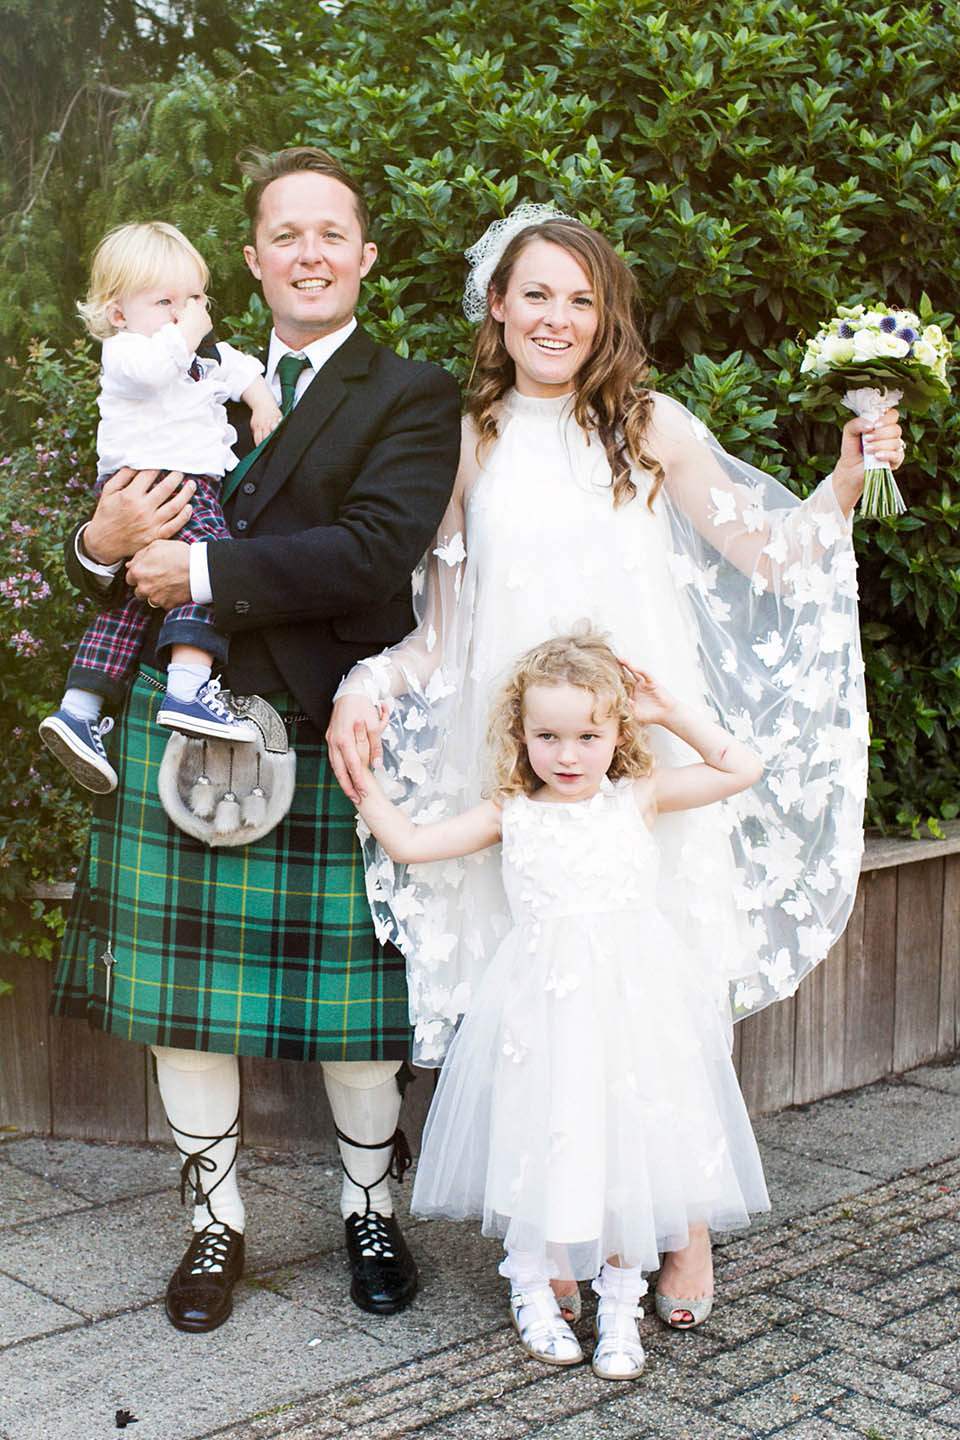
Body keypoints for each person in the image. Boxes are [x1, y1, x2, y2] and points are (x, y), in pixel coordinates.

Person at [327, 205, 905, 1329]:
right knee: (540, 992)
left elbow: (770, 558)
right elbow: (441, 629)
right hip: (522, 757)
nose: (558, 317)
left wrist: (841, 482)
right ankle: (556, 1228)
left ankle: (680, 1227)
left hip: (635, 756)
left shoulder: (651, 427)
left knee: (664, 986)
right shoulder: (467, 438)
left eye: (582, 299)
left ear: (608, 319)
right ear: (497, 305)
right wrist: (373, 683)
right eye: (536, 294)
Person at [50, 147, 461, 1332]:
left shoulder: (410, 393)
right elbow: (103, 563)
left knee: (358, 1021)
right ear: (252, 259)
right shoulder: (170, 367)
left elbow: (376, 553)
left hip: (328, 732)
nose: (310, 252)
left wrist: (205, 569)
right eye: (286, 233)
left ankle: (367, 1210)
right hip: (180, 729)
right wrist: (100, 538)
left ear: (365, 256)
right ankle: (213, 1223)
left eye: (333, 232)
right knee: (185, 1007)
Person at [353, 629, 766, 1379]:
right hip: (542, 1009)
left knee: (624, 1142)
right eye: (548, 736)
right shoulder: (512, 812)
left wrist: (671, 711)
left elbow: (742, 767)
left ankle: (618, 1298)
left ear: (617, 734)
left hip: (633, 1007)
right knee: (543, 1136)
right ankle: (535, 1288)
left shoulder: (638, 796)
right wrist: (365, 781)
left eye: (588, 735)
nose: (568, 754)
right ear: (522, 734)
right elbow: (410, 843)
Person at [39, 221, 279, 793]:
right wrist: (187, 332)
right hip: (157, 484)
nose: (185, 313)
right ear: (118, 314)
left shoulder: (195, 352)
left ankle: (79, 706)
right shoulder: (128, 352)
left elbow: (239, 367)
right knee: (207, 570)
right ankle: (189, 687)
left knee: (129, 602)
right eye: (166, 301)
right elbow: (154, 372)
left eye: (194, 298)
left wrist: (262, 399)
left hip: (172, 479)